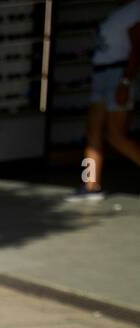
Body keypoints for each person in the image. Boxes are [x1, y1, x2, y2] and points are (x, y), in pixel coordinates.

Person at [69, 0, 140, 200]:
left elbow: (137, 47)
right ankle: (90, 185)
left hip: (117, 74)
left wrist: (125, 82)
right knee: (93, 132)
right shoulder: (120, 11)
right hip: (101, 73)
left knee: (116, 136)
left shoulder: (136, 9)